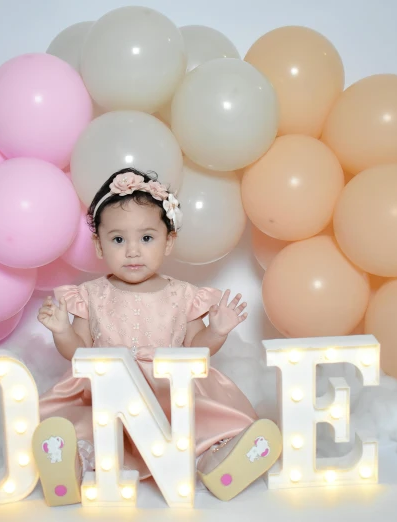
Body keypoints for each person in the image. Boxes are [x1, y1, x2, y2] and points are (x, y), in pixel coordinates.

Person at [31, 168, 281, 505]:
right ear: (99, 245)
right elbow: (79, 353)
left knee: (200, 425)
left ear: (169, 241)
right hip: (107, 393)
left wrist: (216, 330)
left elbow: (196, 350)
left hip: (168, 393)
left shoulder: (183, 295)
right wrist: (62, 330)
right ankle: (72, 466)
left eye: (146, 238)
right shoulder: (89, 295)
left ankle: (217, 463)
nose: (132, 251)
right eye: (118, 239)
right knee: (85, 426)